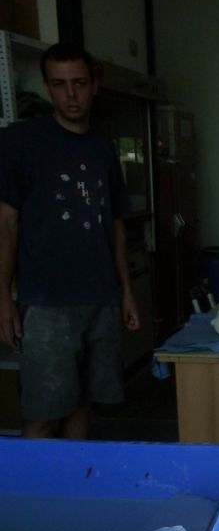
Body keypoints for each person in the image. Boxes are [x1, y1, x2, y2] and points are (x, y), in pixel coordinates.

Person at [0, 42, 140, 439]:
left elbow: (114, 222)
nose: (71, 94)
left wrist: (125, 291)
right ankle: (32, 499)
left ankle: (72, 492)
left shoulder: (102, 148)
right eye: (60, 85)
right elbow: (6, 223)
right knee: (43, 413)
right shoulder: (22, 142)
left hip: (100, 298)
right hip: (46, 303)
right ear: (47, 87)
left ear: (94, 84)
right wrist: (2, 298)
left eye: (79, 83)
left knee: (83, 402)